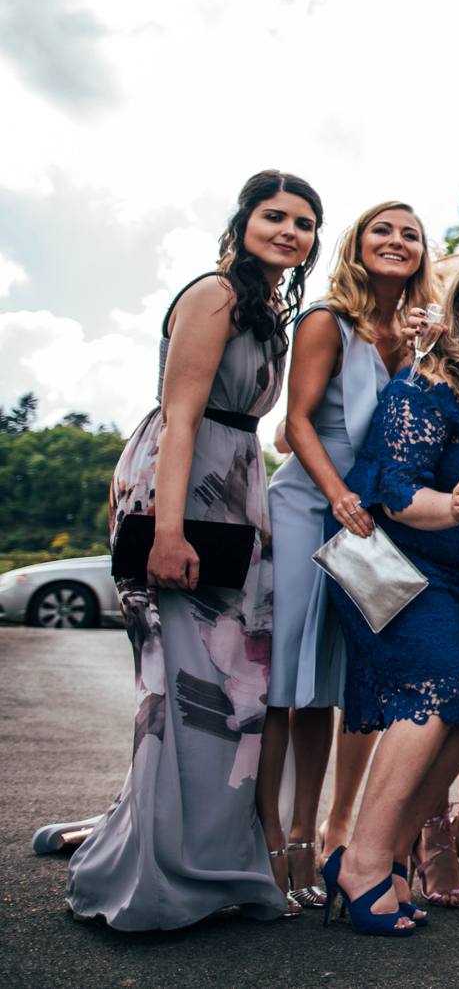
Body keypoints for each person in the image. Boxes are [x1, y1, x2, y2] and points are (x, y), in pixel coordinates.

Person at [63, 170, 322, 930]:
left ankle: (212, 857)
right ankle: (161, 868)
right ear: (244, 221)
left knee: (235, 694)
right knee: (180, 689)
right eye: (275, 216)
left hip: (238, 486)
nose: (289, 231)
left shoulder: (269, 309)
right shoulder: (214, 294)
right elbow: (180, 418)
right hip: (187, 486)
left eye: (304, 223)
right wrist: (169, 530)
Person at [324, 249, 459, 936]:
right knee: (439, 690)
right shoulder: (426, 385)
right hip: (399, 571)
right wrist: (449, 506)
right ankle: (358, 859)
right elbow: (391, 491)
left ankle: (387, 855)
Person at [260, 200, 430, 913]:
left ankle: (312, 835)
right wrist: (337, 499)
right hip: (311, 504)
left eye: (410, 233)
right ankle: (268, 838)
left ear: (424, 254)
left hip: (372, 520)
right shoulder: (326, 319)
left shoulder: (415, 335)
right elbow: (294, 423)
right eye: (382, 230)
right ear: (358, 245)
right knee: (287, 675)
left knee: (329, 680)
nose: (396, 240)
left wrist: (431, 353)